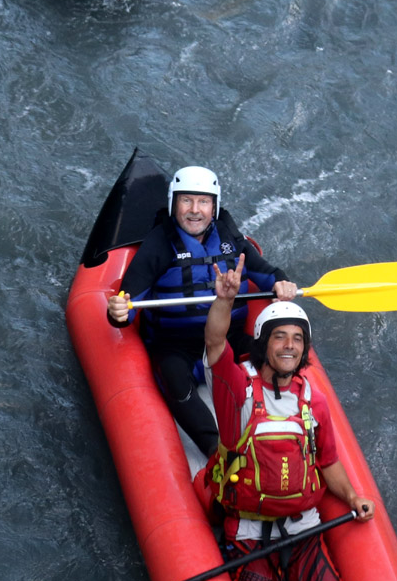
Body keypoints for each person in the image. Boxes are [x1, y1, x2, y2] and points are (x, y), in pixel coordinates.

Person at [202, 254, 374, 581]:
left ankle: (288, 571)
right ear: (263, 343)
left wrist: (352, 496)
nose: (289, 346)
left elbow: (327, 460)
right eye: (280, 336)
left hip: (301, 524)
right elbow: (215, 342)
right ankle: (264, 573)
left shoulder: (313, 401)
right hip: (246, 528)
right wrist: (224, 302)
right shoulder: (237, 389)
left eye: (298, 339)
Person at [107, 166, 298, 455]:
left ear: (214, 206)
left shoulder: (230, 239)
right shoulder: (158, 245)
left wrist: (282, 284)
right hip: (175, 345)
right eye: (186, 201)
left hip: (228, 340)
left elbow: (266, 273)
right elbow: (128, 304)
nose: (195, 210)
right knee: (172, 376)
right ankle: (215, 449)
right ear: (174, 203)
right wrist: (118, 312)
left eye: (203, 202)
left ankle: (292, 432)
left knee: (274, 357)